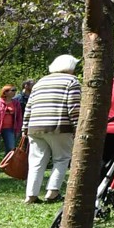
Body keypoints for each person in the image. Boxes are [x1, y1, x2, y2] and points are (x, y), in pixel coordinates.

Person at [23, 54, 82, 203]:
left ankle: (31, 195)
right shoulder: (72, 81)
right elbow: (74, 107)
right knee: (61, 159)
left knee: (36, 162)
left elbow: (29, 107)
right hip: (59, 126)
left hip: (34, 127)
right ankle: (53, 192)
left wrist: (25, 126)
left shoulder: (40, 82)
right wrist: (77, 127)